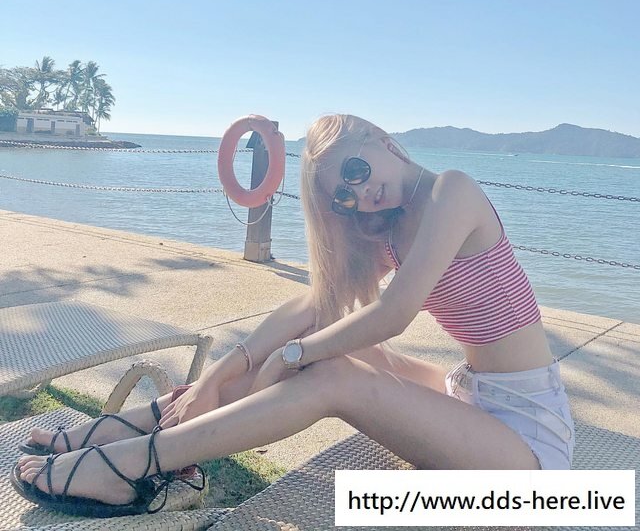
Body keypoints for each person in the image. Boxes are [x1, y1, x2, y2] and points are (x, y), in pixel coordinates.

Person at [13, 114, 575, 517]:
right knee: (324, 336)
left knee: (332, 372)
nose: (362, 193)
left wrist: (295, 355)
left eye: (356, 170)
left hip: (529, 440)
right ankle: (150, 418)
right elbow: (315, 303)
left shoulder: (452, 191)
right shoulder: (392, 226)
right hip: (470, 395)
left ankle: (135, 461)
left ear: (383, 141)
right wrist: (217, 376)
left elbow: (394, 313)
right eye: (345, 196)